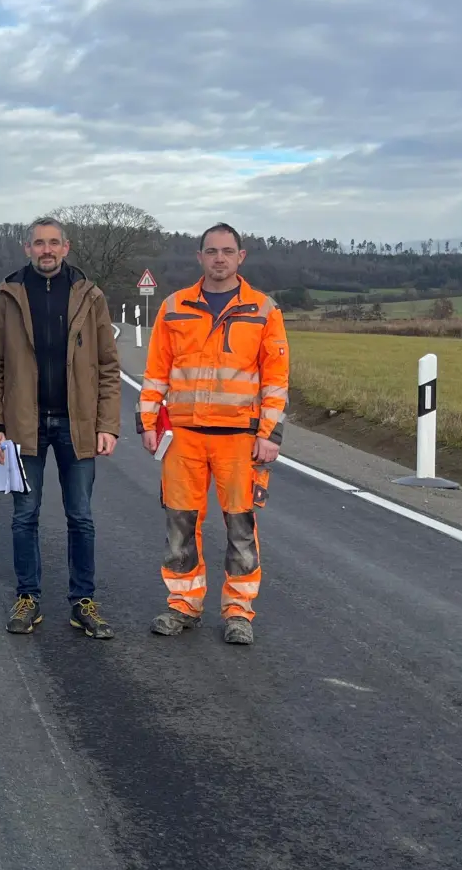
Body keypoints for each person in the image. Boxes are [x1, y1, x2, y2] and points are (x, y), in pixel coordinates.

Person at [136, 222, 288, 646]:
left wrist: (270, 433)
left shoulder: (263, 310)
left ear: (241, 257)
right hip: (184, 435)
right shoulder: (174, 307)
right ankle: (183, 604)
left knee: (241, 525)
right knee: (181, 523)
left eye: (227, 251)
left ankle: (239, 610)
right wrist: (147, 422)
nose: (219, 258)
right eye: (211, 251)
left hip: (239, 437)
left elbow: (276, 379)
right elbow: (156, 371)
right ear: (199, 257)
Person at [0, 216, 121, 639]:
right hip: (24, 426)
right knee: (25, 515)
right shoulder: (8, 297)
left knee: (81, 516)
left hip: (78, 424)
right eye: (39, 243)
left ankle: (83, 601)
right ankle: (28, 597)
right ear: (27, 248)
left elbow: (108, 367)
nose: (46, 250)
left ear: (66, 247)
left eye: (53, 242)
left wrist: (107, 424)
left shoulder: (90, 296)